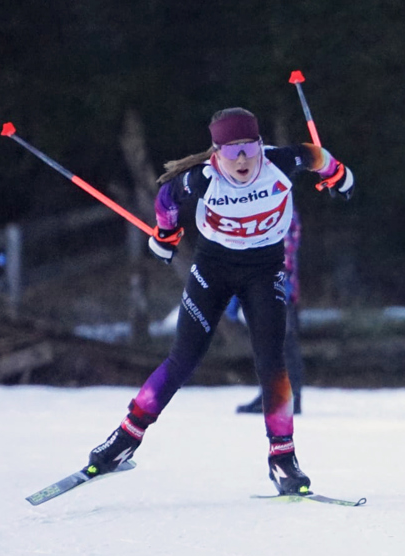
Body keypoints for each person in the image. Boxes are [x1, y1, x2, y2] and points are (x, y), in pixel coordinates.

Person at [85, 107, 354, 495]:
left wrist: (339, 176)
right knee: (183, 359)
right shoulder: (201, 178)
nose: (242, 160)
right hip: (213, 268)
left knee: (271, 359)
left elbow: (317, 155)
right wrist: (164, 237)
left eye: (249, 148)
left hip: (265, 269)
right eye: (232, 152)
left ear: (261, 145)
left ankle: (283, 459)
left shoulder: (280, 162)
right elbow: (166, 200)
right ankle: (124, 440)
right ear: (216, 153)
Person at [232, 210, 304, 415]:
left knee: (282, 341)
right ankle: (274, 395)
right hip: (268, 283)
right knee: (271, 342)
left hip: (278, 284)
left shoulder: (280, 202)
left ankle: (285, 398)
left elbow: (285, 247)